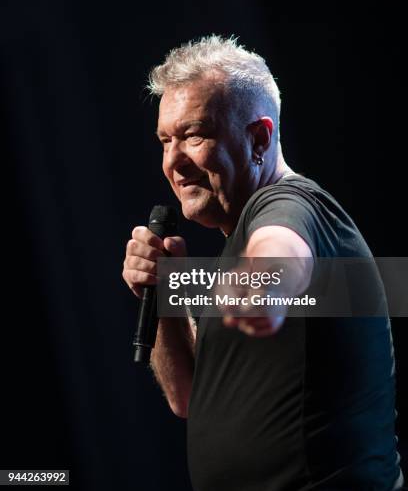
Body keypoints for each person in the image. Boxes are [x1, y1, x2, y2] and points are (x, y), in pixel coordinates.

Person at [122, 35, 404, 490]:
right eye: (164, 140)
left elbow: (283, 247)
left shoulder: (290, 204)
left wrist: (265, 285)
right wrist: (165, 294)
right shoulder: (232, 248)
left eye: (193, 134)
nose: (174, 161)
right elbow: (189, 398)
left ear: (259, 138)